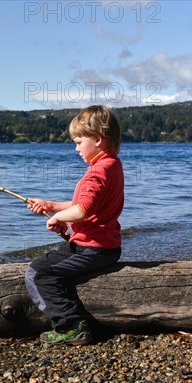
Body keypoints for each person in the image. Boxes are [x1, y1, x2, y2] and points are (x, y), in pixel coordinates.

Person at [25, 105, 124, 346]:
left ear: (98, 140)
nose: (76, 148)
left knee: (40, 274)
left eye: (79, 142)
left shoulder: (96, 173)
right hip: (102, 245)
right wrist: (52, 205)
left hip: (94, 248)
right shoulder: (111, 165)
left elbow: (83, 210)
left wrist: (59, 218)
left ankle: (70, 325)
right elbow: (82, 204)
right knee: (46, 263)